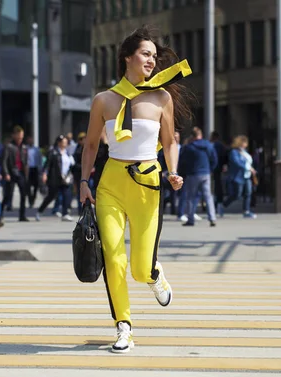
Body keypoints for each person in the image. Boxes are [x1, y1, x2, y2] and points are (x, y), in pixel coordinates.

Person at [79, 25, 191, 353]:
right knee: (114, 260)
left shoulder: (161, 98)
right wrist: (85, 182)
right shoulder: (104, 100)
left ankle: (155, 275)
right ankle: (123, 326)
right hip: (111, 183)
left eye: (155, 56)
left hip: (147, 182)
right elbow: (89, 147)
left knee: (140, 268)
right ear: (127, 57)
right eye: (145, 54)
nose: (151, 61)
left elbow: (169, 141)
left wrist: (173, 171)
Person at [179, 126, 218, 227]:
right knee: (208, 196)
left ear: (192, 136)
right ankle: (212, 218)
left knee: (191, 197)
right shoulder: (208, 145)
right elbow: (214, 159)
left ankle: (190, 219)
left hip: (193, 174)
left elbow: (182, 161)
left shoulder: (189, 147)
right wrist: (210, 169)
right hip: (205, 173)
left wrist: (182, 172)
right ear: (201, 135)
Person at [37, 134, 75, 221]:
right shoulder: (53, 152)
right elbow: (47, 164)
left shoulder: (67, 153)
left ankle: (65, 214)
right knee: (51, 196)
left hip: (66, 178)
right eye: (63, 142)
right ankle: (40, 211)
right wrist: (45, 174)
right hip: (55, 178)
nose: (65, 144)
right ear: (58, 143)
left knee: (67, 195)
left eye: (66, 142)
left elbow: (71, 165)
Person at [223, 134, 257, 219]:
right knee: (236, 195)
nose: (246, 144)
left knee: (248, 193)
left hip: (247, 176)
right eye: (244, 142)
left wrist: (251, 168)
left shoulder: (244, 152)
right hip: (238, 176)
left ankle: (246, 211)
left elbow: (248, 162)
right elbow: (237, 162)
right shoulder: (234, 152)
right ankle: (223, 205)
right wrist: (248, 168)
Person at [1, 126, 30, 221]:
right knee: (8, 195)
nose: (20, 139)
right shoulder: (9, 146)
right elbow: (4, 161)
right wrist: (6, 173)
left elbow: (25, 160)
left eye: (22, 137)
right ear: (14, 136)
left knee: (23, 194)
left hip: (21, 173)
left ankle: (22, 215)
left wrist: (26, 172)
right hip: (11, 172)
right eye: (19, 137)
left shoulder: (24, 146)